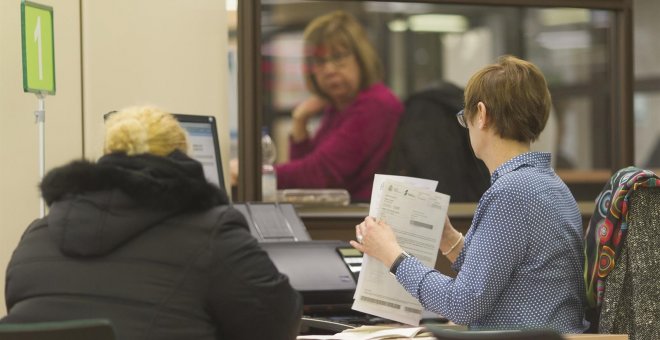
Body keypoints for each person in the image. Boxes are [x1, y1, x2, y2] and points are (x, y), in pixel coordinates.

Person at [3, 106, 302, 340]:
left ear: (106, 158)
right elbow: (277, 325)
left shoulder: (37, 237)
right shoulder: (213, 233)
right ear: (183, 159)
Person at [351, 56, 588, 333]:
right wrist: (449, 239)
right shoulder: (549, 184)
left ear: (482, 114)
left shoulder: (511, 193)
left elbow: (462, 304)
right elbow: (501, 273)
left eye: (466, 119)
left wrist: (392, 255)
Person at [273, 10, 403, 202]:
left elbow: (317, 175)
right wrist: (300, 120)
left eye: (339, 57)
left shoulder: (376, 104)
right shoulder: (338, 108)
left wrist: (256, 174)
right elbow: (305, 185)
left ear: (360, 58)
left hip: (361, 222)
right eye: (320, 61)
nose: (329, 70)